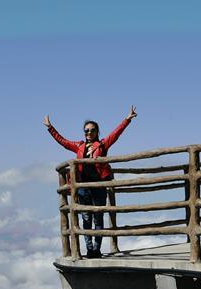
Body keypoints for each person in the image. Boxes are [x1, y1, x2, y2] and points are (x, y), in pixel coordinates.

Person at [44, 106, 137, 257]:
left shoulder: (103, 144)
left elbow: (116, 133)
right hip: (82, 187)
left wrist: (127, 120)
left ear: (97, 132)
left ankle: (97, 249)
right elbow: (63, 142)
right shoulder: (79, 146)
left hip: (99, 186)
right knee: (86, 218)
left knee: (98, 218)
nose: (89, 133)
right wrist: (50, 128)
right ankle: (89, 249)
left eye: (92, 130)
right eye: (86, 130)